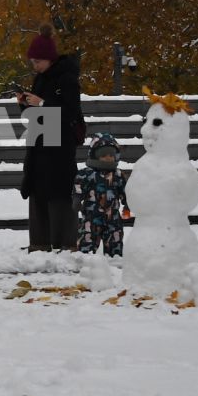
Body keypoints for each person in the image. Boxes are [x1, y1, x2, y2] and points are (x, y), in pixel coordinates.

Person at [15, 28, 85, 252]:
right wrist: (25, 104)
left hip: (59, 146)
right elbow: (37, 113)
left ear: (48, 59)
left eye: (37, 61)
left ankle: (64, 242)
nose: (34, 66)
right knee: (39, 192)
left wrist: (42, 104)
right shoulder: (40, 79)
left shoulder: (66, 78)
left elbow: (71, 111)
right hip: (40, 143)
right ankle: (40, 242)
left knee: (59, 194)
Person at [74, 131, 131, 257]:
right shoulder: (86, 174)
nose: (108, 157)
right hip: (91, 216)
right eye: (103, 154)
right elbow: (78, 188)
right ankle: (85, 259)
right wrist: (77, 199)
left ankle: (114, 259)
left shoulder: (118, 175)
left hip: (113, 219)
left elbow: (125, 191)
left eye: (111, 154)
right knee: (87, 241)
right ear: (94, 155)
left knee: (115, 243)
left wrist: (127, 205)